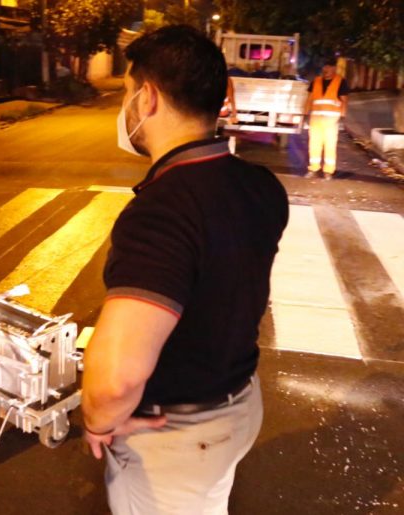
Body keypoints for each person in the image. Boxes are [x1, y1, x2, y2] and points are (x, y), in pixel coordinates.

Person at [81, 25, 289, 515]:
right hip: (237, 408)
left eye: (128, 92)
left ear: (148, 98)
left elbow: (115, 380)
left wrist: (97, 421)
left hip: (175, 437)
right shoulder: (261, 185)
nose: (125, 107)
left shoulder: (162, 210)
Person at [304, 57, 349, 180]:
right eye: (324, 66)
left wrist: (343, 116)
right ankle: (313, 168)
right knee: (314, 144)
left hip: (331, 121)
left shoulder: (340, 82)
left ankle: (328, 171)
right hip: (316, 120)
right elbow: (309, 99)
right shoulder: (316, 81)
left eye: (329, 66)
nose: (326, 69)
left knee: (330, 145)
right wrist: (305, 114)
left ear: (334, 68)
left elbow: (344, 101)